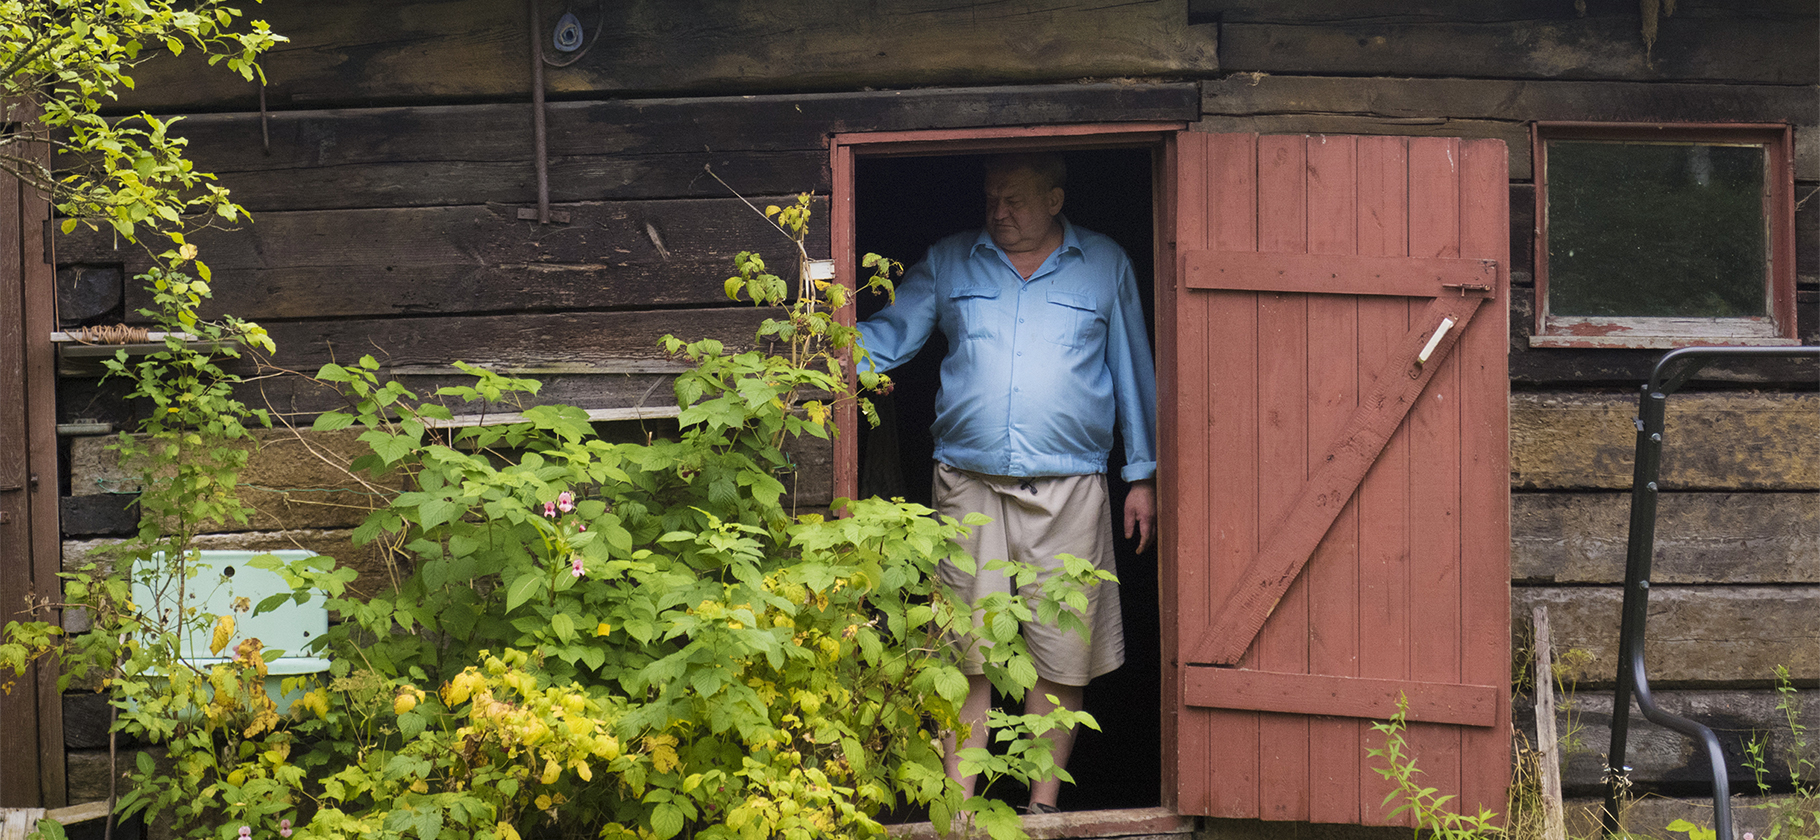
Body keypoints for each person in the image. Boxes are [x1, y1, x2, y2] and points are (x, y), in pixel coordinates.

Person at [856, 153, 1157, 814]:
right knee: (966, 650)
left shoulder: (1105, 265)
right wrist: (816, 354)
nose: (998, 212)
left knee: (1061, 649)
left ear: (1055, 199)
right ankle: (959, 807)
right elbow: (890, 334)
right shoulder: (952, 259)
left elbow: (1134, 372)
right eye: (991, 198)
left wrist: (1142, 475)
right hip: (967, 484)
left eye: (1014, 199)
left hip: (1072, 487)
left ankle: (1042, 807)